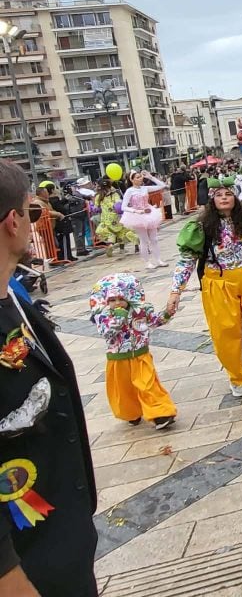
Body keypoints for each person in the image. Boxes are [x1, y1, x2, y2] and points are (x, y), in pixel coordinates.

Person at [0, 159, 99, 596]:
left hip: (62, 541)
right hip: (25, 567)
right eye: (32, 211)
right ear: (13, 221)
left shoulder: (14, 295)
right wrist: (8, 576)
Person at [166, 177, 242, 398]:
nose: (224, 198)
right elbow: (187, 261)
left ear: (236, 197)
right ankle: (237, 378)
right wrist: (175, 292)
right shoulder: (201, 227)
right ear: (212, 199)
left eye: (228, 194)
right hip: (218, 285)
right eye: (218, 195)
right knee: (226, 335)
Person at [89, 272, 177, 430]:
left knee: (147, 384)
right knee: (123, 390)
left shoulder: (140, 310)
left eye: (121, 299)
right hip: (118, 358)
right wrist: (118, 319)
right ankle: (131, 413)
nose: (117, 303)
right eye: (112, 300)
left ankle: (161, 413)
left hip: (140, 355)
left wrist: (167, 314)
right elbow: (106, 332)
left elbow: (154, 321)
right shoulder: (104, 316)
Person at [120, 170, 168, 270]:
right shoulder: (129, 191)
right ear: (132, 180)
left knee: (154, 239)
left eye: (140, 176)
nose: (140, 178)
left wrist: (151, 177)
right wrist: (136, 211)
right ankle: (147, 262)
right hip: (137, 216)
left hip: (149, 213)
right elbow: (123, 207)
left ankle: (158, 260)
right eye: (137, 177)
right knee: (144, 240)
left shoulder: (145, 188)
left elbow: (162, 185)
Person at [95, 178, 138, 258]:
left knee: (109, 232)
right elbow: (118, 204)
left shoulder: (98, 196)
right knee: (122, 232)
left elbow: (96, 209)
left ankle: (110, 244)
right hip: (116, 218)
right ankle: (127, 248)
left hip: (106, 219)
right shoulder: (114, 194)